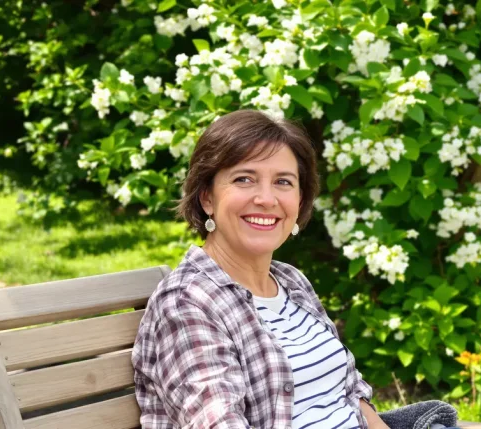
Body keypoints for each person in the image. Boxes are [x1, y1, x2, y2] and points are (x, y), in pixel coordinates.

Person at [132, 110, 390, 429]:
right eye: (244, 179)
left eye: (283, 182)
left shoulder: (291, 281)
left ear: (300, 200)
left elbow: (350, 394)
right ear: (207, 197)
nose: (267, 199)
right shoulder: (188, 303)